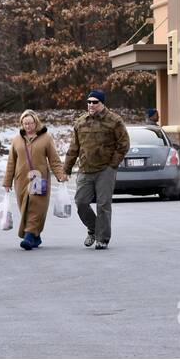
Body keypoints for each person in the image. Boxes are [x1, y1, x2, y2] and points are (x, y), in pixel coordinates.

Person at [65, 90, 129, 250]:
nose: (91, 105)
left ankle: (102, 239)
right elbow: (74, 148)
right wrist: (66, 168)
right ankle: (93, 229)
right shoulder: (80, 122)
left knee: (103, 205)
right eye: (89, 102)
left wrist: (112, 165)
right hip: (85, 169)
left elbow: (124, 144)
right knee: (81, 203)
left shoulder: (114, 121)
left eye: (95, 102)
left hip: (105, 170)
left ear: (102, 103)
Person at [2, 110, 66, 250]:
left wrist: (60, 174)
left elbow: (54, 159)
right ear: (21, 124)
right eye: (25, 123)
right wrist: (7, 182)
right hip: (21, 179)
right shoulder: (16, 140)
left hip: (40, 178)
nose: (28, 126)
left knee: (36, 207)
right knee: (24, 207)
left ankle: (29, 236)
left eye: (30, 123)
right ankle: (35, 237)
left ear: (35, 122)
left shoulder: (46, 138)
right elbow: (11, 162)